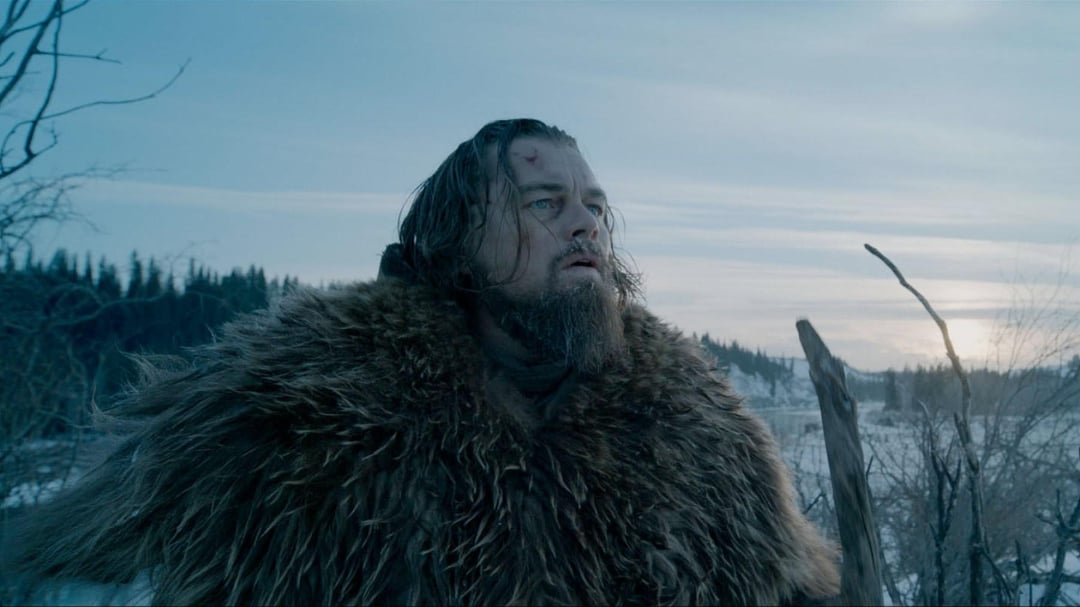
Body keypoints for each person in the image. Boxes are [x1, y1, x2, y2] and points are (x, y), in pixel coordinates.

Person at [6, 119, 840, 605]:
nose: (585, 224)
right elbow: (69, 579)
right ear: (456, 238)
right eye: (544, 202)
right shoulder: (286, 407)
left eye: (594, 207)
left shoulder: (705, 435)